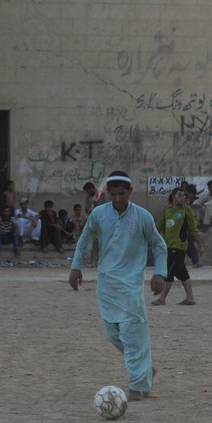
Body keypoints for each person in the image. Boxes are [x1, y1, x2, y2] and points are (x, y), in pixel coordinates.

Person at [69, 170, 167, 401]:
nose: (118, 199)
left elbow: (159, 246)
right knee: (113, 334)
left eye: (122, 194)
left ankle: (137, 386)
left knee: (133, 334)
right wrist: (76, 267)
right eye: (113, 194)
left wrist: (159, 273)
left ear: (130, 192)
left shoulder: (143, 217)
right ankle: (144, 371)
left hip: (131, 285)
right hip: (106, 283)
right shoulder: (99, 214)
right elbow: (85, 238)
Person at [151, 188, 200, 306]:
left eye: (184, 196)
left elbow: (193, 229)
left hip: (179, 246)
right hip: (168, 246)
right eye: (179, 195)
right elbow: (158, 226)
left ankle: (162, 298)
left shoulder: (186, 211)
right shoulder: (167, 210)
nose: (182, 197)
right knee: (182, 272)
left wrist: (200, 245)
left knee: (169, 272)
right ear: (173, 197)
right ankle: (190, 298)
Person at [194, 179, 212, 262]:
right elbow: (199, 200)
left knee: (207, 207)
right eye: (210, 187)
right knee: (198, 208)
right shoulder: (207, 195)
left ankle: (205, 225)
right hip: (211, 213)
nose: (211, 188)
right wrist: (195, 203)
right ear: (208, 188)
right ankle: (197, 223)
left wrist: (203, 204)